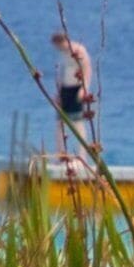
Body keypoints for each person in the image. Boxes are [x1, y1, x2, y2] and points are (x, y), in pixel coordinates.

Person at [49, 30, 98, 173]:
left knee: (78, 123)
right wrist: (58, 93)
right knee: (60, 123)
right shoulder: (63, 54)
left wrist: (84, 88)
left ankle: (81, 156)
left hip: (77, 89)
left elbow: (87, 69)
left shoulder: (78, 50)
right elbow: (61, 74)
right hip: (65, 90)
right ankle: (62, 155)